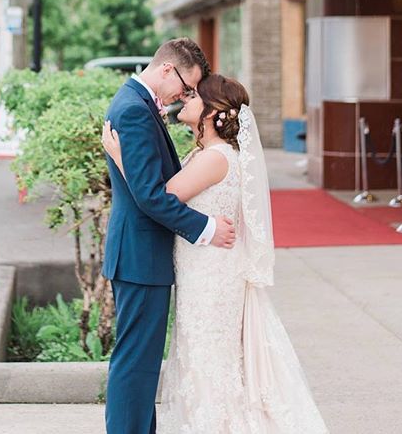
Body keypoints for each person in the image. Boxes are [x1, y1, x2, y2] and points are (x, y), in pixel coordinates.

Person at [103, 72, 329, 433]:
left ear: (210, 113)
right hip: (203, 270)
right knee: (207, 362)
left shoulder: (215, 158)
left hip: (211, 277)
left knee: (210, 364)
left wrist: (120, 156)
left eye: (194, 96)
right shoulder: (206, 154)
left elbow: (158, 197)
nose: (186, 99)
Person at [101, 39, 237, 434]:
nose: (185, 95)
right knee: (135, 365)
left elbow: (148, 186)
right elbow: (149, 196)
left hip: (142, 256)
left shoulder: (137, 105)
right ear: (166, 70)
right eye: (185, 85)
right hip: (140, 257)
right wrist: (206, 229)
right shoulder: (134, 111)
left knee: (140, 365)